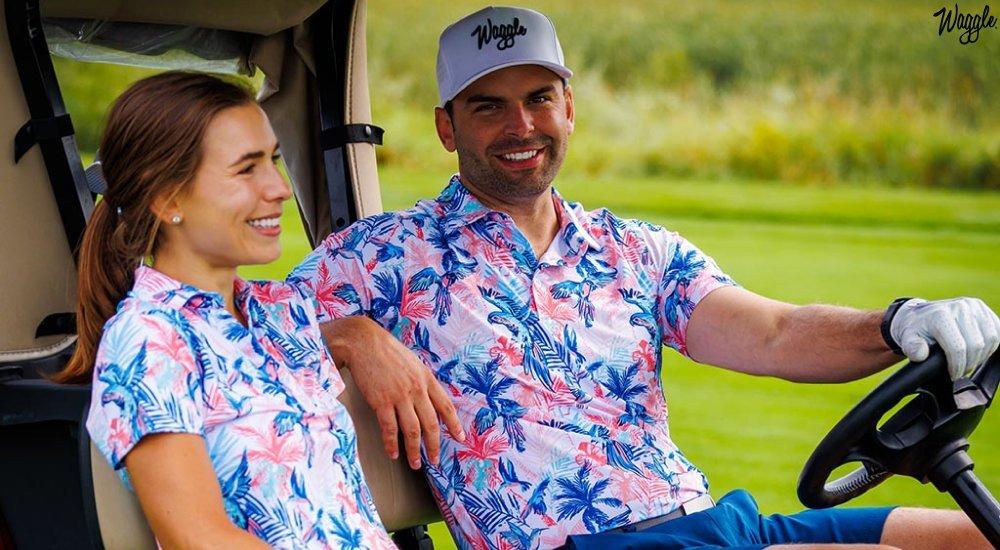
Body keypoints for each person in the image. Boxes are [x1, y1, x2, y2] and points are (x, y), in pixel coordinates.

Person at [288, 6, 999, 549]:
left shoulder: (634, 249)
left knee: (977, 534)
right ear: (447, 127)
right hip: (592, 544)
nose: (521, 125)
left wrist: (898, 320)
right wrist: (351, 334)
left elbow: (777, 334)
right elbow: (220, 330)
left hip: (718, 525)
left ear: (569, 108)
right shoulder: (384, 253)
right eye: (488, 106)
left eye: (539, 97)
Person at [57, 72, 397, 549]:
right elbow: (197, 538)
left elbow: (340, 503)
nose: (278, 188)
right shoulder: (149, 340)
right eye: (246, 169)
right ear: (167, 198)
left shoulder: (283, 312)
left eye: (273, 162)